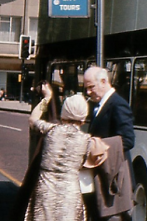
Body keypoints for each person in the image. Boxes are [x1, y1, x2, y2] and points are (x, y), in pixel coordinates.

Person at [23, 85, 108, 221]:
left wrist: (47, 98)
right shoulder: (87, 141)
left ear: (64, 113)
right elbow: (99, 157)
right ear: (83, 116)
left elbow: (33, 120)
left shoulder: (50, 130)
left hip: (45, 190)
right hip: (70, 192)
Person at [83, 66, 135, 220]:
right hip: (102, 178)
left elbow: (128, 139)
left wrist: (96, 148)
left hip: (113, 179)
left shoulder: (118, 104)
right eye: (86, 88)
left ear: (104, 81)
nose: (88, 92)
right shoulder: (99, 105)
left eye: (91, 87)